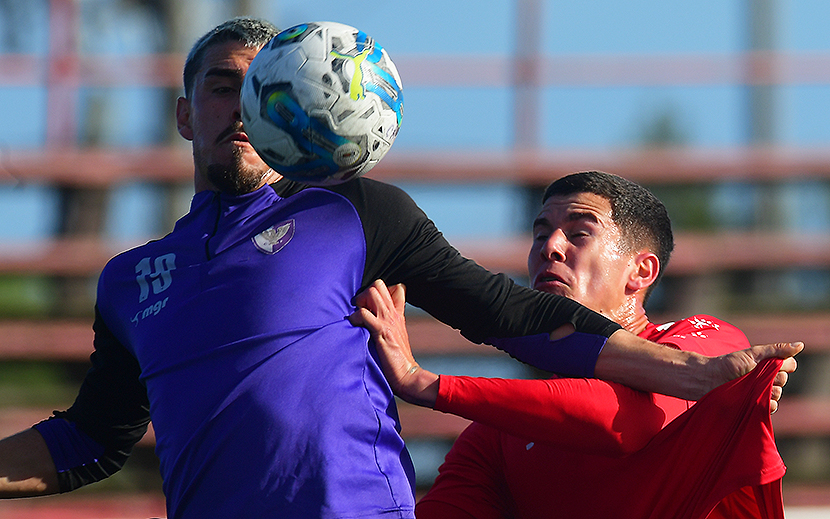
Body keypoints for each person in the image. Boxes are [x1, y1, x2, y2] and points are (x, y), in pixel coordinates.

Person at [0, 18, 800, 519]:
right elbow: (91, 437)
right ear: (185, 115)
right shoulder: (128, 280)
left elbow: (505, 312)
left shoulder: (354, 211)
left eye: (268, 91)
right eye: (223, 89)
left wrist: (678, 369)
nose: (247, 110)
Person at [350, 171, 798, 519]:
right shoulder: (497, 433)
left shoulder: (704, 341)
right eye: (540, 233)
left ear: (641, 272)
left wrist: (430, 384)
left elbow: (623, 419)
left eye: (579, 233)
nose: (550, 247)